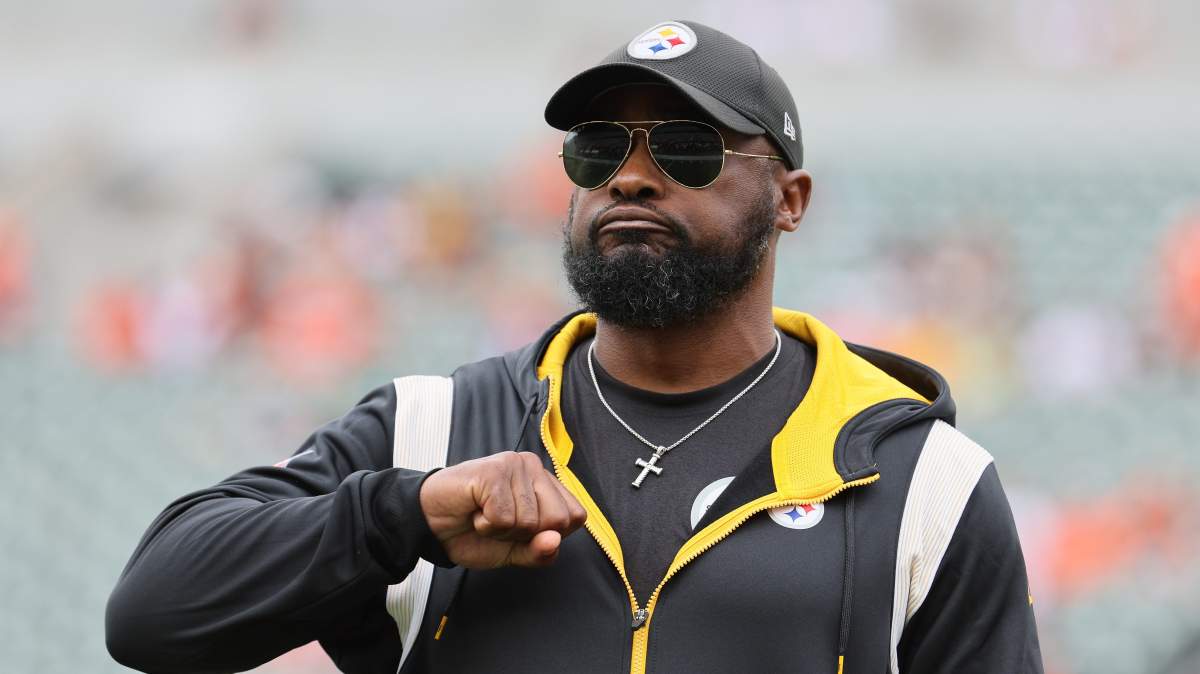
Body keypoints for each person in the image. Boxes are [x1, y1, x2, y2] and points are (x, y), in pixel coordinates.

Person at [106, 20, 1043, 674]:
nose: (631, 177)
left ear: (789, 200)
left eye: (686, 148)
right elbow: (152, 614)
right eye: (598, 149)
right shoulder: (434, 432)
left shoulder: (922, 481)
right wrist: (404, 514)